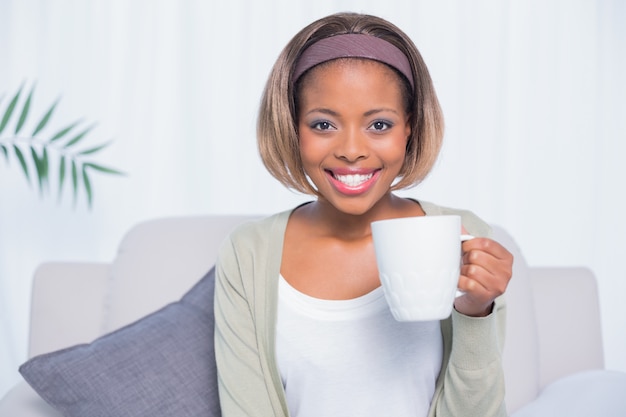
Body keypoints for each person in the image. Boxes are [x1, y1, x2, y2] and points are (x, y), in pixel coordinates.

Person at [214, 12, 513, 417]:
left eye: (378, 124)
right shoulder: (248, 253)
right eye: (323, 124)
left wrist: (476, 311)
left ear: (409, 128)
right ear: (291, 128)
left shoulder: (463, 236)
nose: (352, 149)